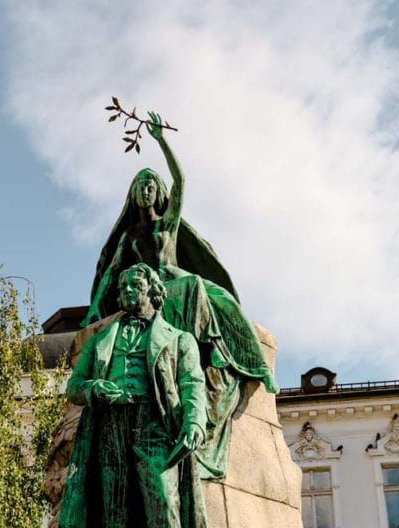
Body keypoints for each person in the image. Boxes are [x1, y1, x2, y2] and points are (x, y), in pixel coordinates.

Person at [82, 113, 278, 479]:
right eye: (140, 185)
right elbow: (111, 275)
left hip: (175, 282)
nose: (146, 190)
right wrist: (94, 312)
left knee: (211, 292)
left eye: (150, 185)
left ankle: (231, 355)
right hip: (153, 292)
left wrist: (160, 140)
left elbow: (182, 180)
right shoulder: (130, 237)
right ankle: (215, 348)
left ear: (158, 191)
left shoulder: (167, 223)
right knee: (196, 288)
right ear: (132, 194)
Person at [59, 263, 208, 528]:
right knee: (116, 513)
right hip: (111, 425)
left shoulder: (178, 339)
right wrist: (94, 389)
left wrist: (194, 422)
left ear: (154, 292)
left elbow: (192, 385)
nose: (127, 290)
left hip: (155, 424)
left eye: (135, 284)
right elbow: (75, 385)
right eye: (123, 284)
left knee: (164, 510)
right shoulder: (100, 340)